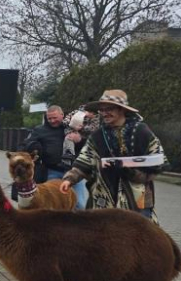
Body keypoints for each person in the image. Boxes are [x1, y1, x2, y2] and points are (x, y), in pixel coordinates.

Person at [60, 90, 166, 219]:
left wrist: (135, 173)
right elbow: (85, 160)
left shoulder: (142, 132)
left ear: (121, 109)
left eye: (109, 109)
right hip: (103, 198)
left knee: (139, 235)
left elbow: (158, 161)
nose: (104, 113)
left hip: (138, 197)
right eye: (102, 110)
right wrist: (70, 179)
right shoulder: (97, 136)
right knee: (104, 235)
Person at [23, 105, 67, 182]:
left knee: (78, 195)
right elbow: (26, 144)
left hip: (73, 172)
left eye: (55, 118)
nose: (52, 121)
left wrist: (79, 139)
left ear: (62, 115)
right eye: (49, 118)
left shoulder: (72, 127)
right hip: (52, 170)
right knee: (53, 194)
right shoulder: (40, 130)